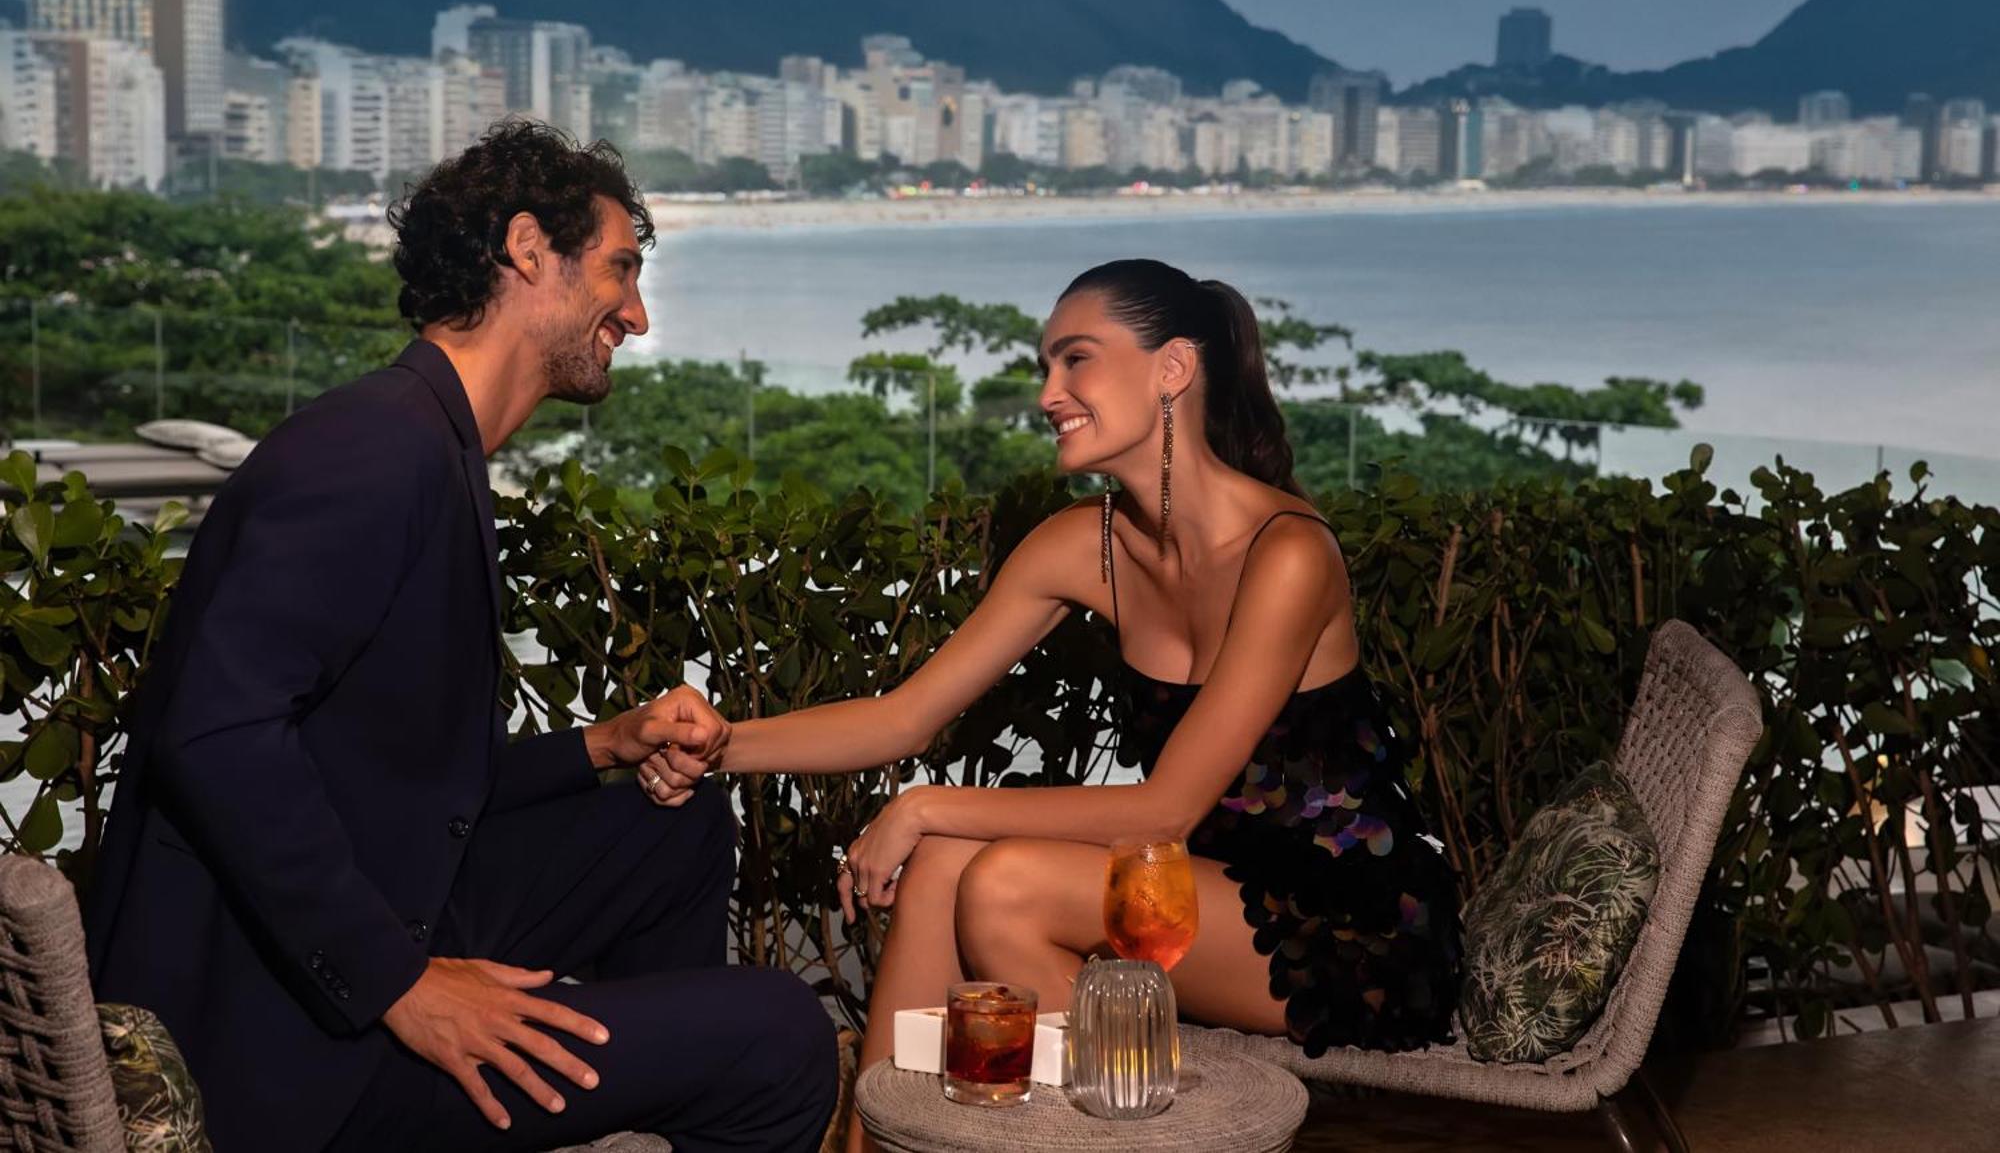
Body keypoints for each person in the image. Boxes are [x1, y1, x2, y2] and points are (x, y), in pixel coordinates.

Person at [85, 120, 836, 1153]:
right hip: (281, 1054)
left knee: (679, 828)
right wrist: (402, 986)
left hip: (369, 918)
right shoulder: (371, 453)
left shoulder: (428, 441)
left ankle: (626, 1088)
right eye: (620, 268)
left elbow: (395, 775)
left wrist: (604, 745)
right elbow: (213, 734)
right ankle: (643, 1070)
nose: (638, 311)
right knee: (783, 1033)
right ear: (529, 250)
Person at [638, 258, 1463, 1151]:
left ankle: (1136, 1127)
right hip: (1198, 889)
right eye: (1046, 366)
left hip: (1351, 920)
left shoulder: (1289, 552)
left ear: (1172, 369)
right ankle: (881, 1144)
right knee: (948, 864)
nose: (1047, 393)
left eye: (1076, 360)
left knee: (997, 884)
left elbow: (1164, 808)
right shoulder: (1086, 544)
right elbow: (904, 715)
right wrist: (715, 746)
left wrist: (918, 804)